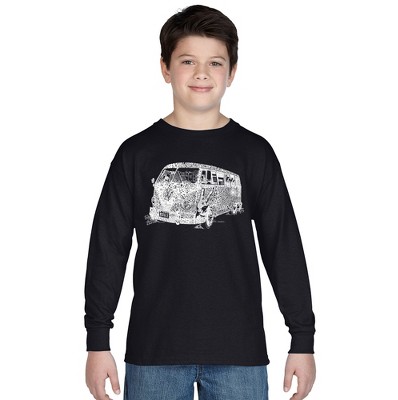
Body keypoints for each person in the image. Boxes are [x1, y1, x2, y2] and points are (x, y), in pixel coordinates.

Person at [84, 4, 316, 400]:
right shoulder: (136, 154)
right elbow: (108, 249)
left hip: (239, 352)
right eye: (188, 61)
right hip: (153, 350)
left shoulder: (254, 153)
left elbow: (283, 248)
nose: (201, 73)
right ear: (165, 68)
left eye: (215, 63)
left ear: (232, 72)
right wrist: (97, 340)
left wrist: (302, 339)